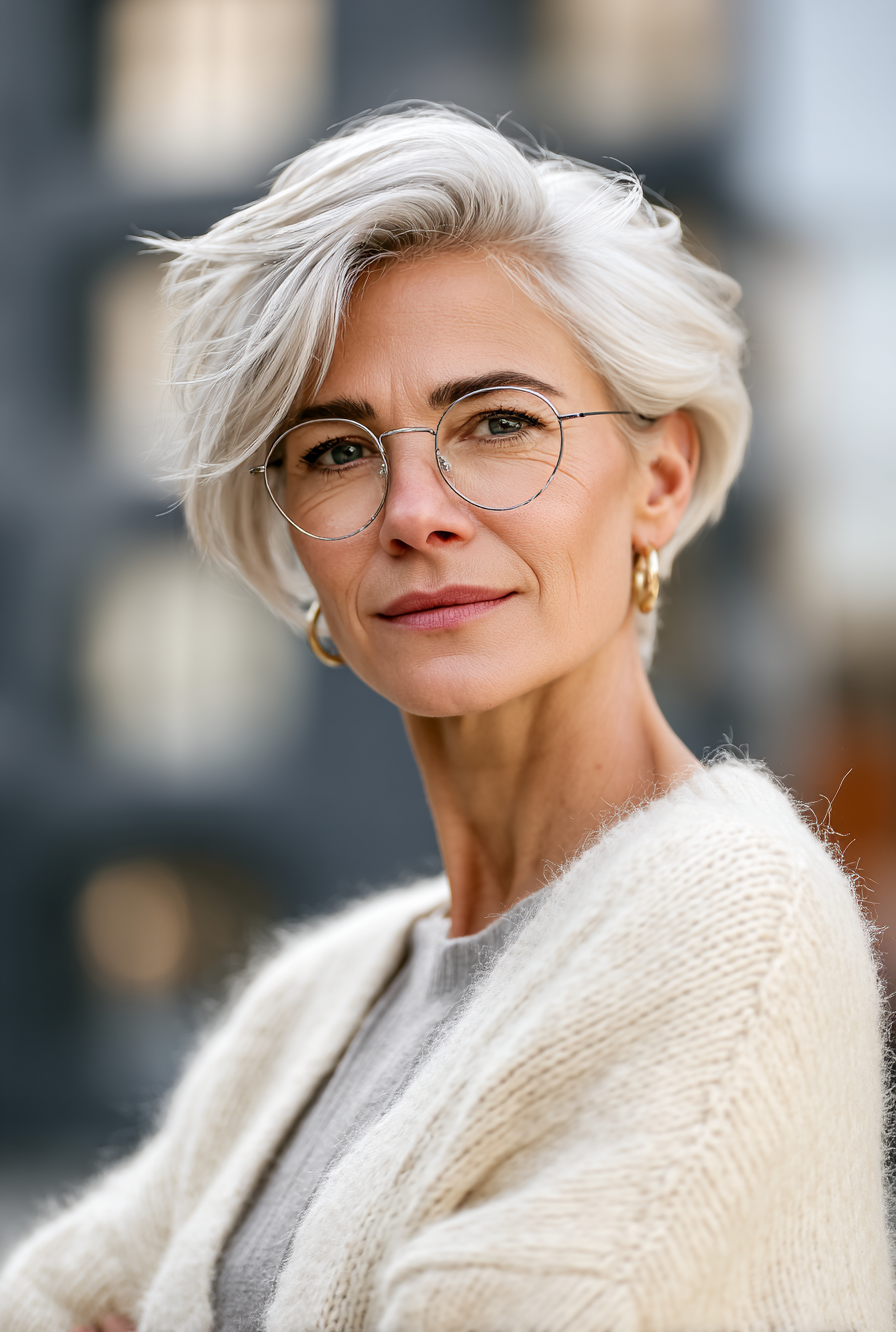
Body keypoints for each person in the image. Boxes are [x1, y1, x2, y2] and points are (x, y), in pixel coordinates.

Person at [1, 106, 891, 1332]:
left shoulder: (731, 914)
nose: (413, 510)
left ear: (660, 476)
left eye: (498, 424)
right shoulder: (313, 997)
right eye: (336, 449)